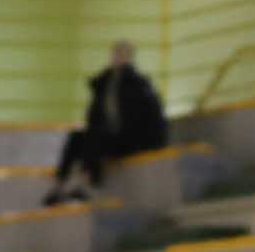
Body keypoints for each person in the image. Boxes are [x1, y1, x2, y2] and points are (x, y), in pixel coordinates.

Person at [46, 41, 169, 206]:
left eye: (121, 55)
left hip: (130, 140)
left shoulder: (138, 85)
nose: (117, 58)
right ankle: (58, 186)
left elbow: (151, 119)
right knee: (77, 137)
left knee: (96, 136)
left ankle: (89, 183)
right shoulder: (104, 84)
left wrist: (156, 145)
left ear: (130, 58)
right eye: (115, 54)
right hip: (106, 137)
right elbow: (93, 117)